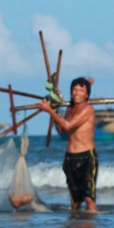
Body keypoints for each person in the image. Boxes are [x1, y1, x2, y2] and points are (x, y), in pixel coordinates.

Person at [35, 76, 99, 212]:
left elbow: (68, 125)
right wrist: (55, 110)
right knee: (75, 201)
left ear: (87, 94)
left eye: (81, 91)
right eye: (75, 90)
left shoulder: (88, 109)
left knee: (89, 198)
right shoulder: (70, 109)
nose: (77, 93)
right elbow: (61, 129)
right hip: (70, 157)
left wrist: (49, 110)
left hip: (87, 157)